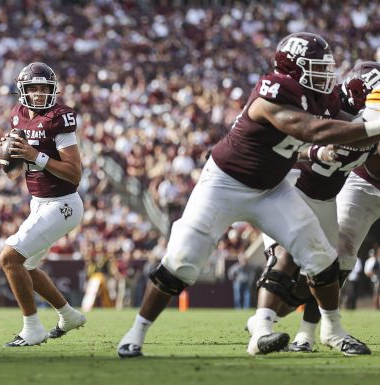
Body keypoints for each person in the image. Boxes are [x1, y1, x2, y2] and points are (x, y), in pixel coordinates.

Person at [117, 32, 380, 358]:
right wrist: (372, 127)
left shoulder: (320, 97)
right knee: (181, 263)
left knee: (322, 257)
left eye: (326, 67)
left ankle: (331, 330)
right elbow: (311, 131)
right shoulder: (273, 91)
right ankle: (135, 333)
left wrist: (367, 123)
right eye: (316, 67)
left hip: (272, 188)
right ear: (292, 68)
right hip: (225, 183)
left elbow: (344, 125)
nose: (326, 75)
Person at [246, 60, 380, 353]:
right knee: (287, 255)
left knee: (328, 267)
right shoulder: (328, 108)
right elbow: (283, 142)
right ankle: (265, 329)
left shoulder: (359, 117)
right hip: (293, 187)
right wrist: (316, 150)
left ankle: (311, 329)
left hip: (325, 198)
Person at [0, 62, 86, 347]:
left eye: (43, 89)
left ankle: (32, 328)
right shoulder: (17, 117)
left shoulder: (59, 118)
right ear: (22, 91)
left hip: (63, 204)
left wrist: (35, 156)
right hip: (39, 203)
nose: (37, 94)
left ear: (53, 90)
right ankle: (68, 315)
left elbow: (74, 174)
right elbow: (13, 175)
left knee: (10, 258)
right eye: (32, 88)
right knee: (28, 267)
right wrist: (7, 157)